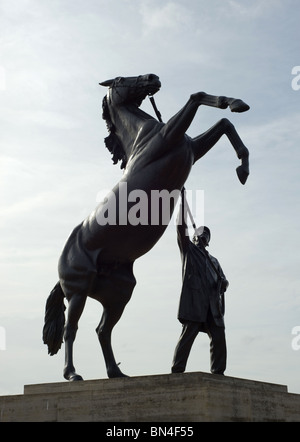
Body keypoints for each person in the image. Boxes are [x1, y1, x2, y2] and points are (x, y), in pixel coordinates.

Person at [171, 189, 229, 375]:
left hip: (213, 304)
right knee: (189, 333)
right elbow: (180, 228)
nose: (203, 237)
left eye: (206, 236)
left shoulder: (214, 261)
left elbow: (223, 280)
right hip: (196, 301)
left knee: (219, 336)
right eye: (201, 234)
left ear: (208, 241)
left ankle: (218, 372)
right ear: (195, 237)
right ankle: (177, 370)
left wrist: (224, 284)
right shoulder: (189, 250)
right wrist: (183, 202)